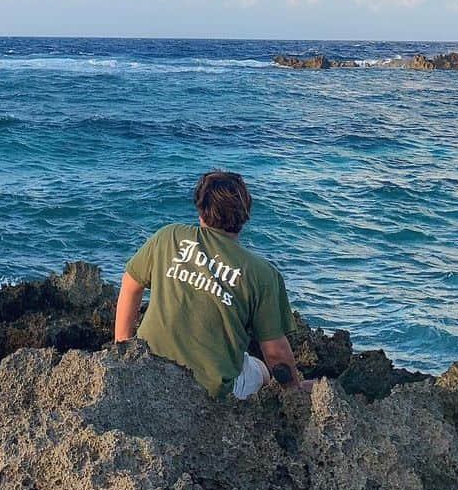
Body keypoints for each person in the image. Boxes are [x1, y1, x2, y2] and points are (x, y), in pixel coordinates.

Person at [114, 169, 311, 399]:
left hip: (147, 369)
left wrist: (123, 349)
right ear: (245, 212)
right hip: (210, 393)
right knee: (259, 368)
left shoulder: (167, 237)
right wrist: (295, 391)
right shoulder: (262, 274)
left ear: (201, 209)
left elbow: (129, 285)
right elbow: (275, 351)